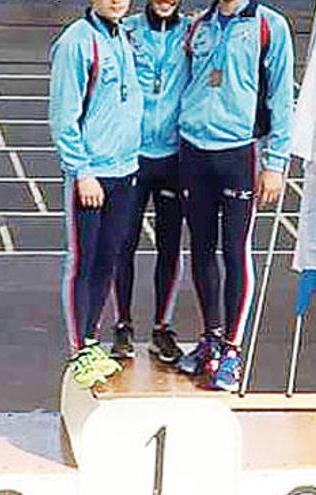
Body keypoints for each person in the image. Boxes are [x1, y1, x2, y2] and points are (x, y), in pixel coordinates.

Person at [176, 0, 295, 391]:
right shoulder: (199, 26)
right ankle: (209, 338)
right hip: (193, 149)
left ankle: (232, 350)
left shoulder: (269, 27)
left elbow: (281, 99)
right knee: (201, 248)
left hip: (239, 152)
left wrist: (275, 163)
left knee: (235, 250)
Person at [49, 0, 144, 387]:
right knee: (82, 263)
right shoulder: (76, 42)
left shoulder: (125, 36)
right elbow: (63, 117)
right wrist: (82, 171)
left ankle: (92, 338)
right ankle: (78, 349)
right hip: (91, 176)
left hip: (125, 170)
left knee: (108, 259)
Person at [111, 0, 189, 365]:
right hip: (133, 156)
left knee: (170, 246)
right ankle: (122, 324)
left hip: (173, 156)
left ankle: (163, 327)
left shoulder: (194, 33)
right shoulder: (127, 32)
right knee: (122, 242)